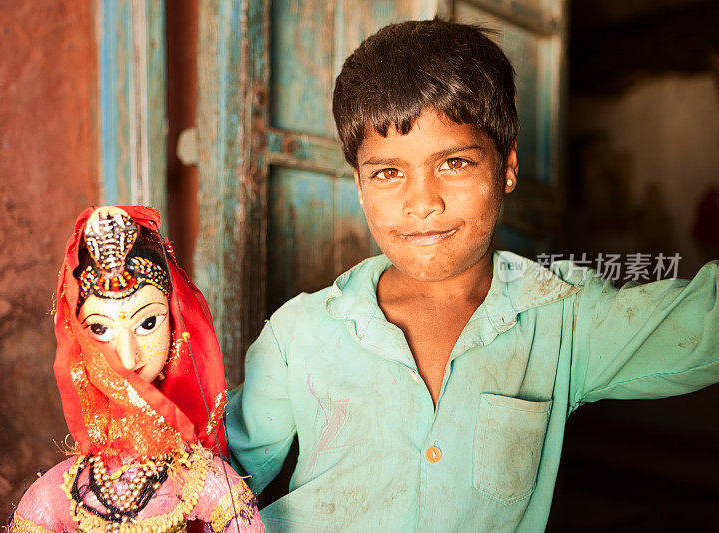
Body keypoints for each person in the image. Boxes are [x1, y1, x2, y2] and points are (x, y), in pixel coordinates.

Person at [225, 19, 719, 532]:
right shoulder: (300, 333)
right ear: (359, 184)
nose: (421, 203)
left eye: (455, 162)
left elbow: (705, 326)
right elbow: (209, 480)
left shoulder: (562, 318)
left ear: (506, 168)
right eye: (388, 172)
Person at [7, 206, 263, 533]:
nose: (127, 358)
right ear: (77, 338)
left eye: (148, 323)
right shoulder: (57, 493)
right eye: (100, 329)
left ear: (176, 325)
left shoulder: (200, 479)